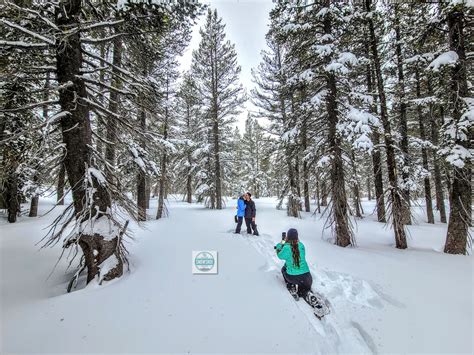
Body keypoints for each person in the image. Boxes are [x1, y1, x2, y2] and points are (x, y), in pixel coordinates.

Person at [274, 228, 318, 306]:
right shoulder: (301, 245)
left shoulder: (286, 248)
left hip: (294, 277)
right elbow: (295, 248)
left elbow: (280, 255)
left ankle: (291, 287)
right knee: (303, 291)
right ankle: (309, 295)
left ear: (288, 237)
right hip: (307, 277)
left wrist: (282, 242)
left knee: (284, 269)